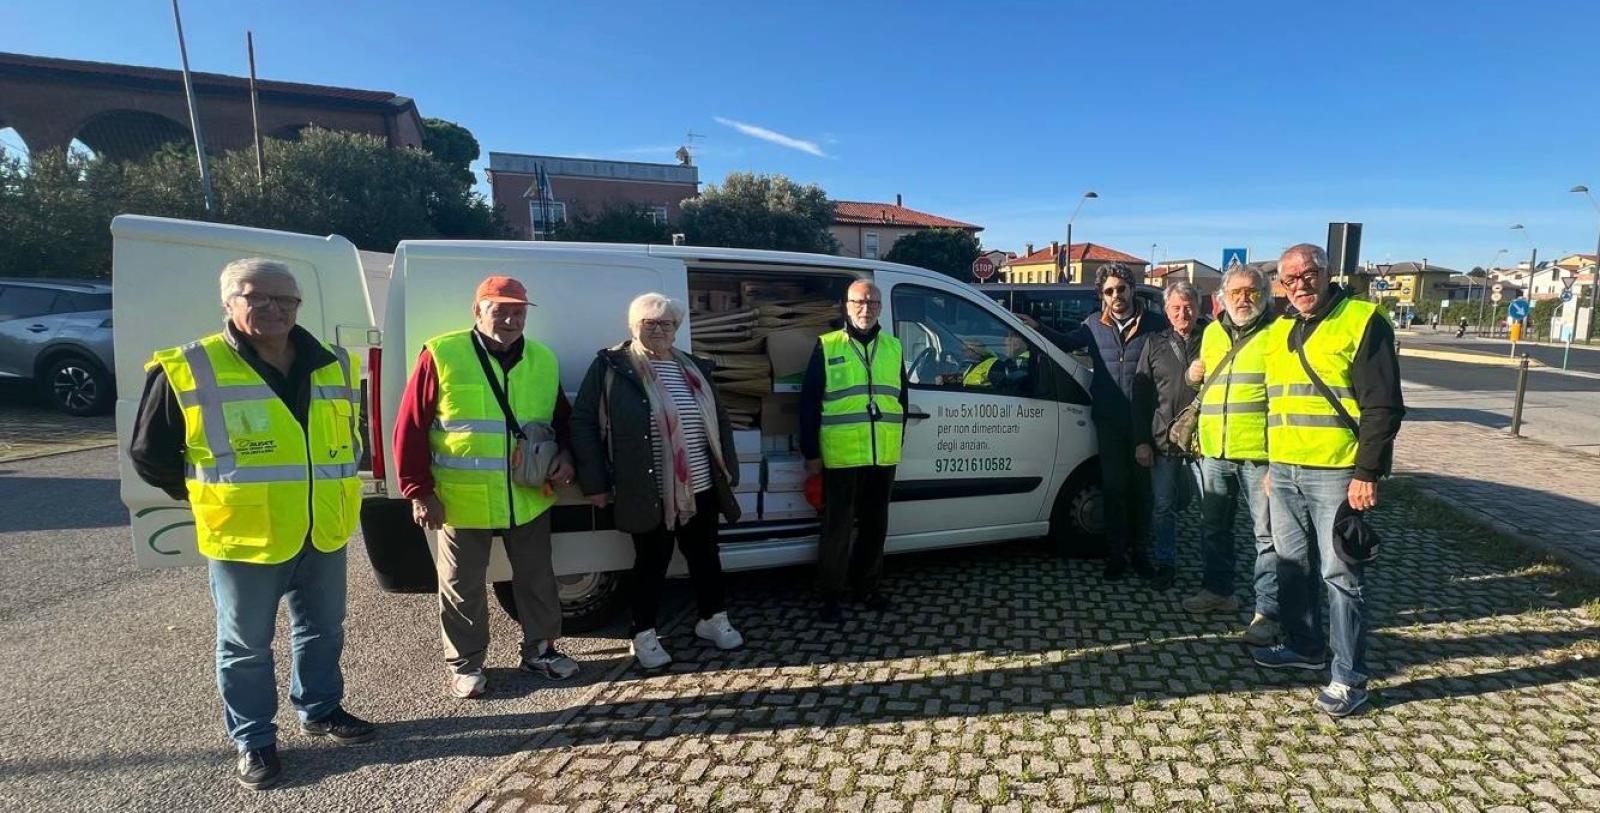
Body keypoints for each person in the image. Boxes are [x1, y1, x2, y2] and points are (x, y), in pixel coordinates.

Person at [130, 258, 375, 790]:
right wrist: (213, 498)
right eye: (256, 297)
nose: (273, 309)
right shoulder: (189, 365)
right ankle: (255, 740)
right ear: (229, 302)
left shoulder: (330, 361)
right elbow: (150, 454)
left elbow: (348, 438)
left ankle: (321, 709)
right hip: (244, 537)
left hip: (322, 526)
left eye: (285, 300)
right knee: (245, 645)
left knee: (323, 628)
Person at [393, 276, 581, 700]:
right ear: (477, 311)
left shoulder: (543, 360)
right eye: (500, 310)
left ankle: (541, 651)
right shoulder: (442, 353)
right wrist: (419, 491)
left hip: (527, 496)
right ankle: (466, 664)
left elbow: (563, 421)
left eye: (518, 311)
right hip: (460, 500)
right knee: (462, 584)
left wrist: (567, 457)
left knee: (537, 578)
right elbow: (410, 428)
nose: (511, 319)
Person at [1251, 244, 1404, 718]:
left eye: (1308, 275)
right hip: (1287, 471)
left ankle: (1349, 678)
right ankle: (1305, 646)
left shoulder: (1362, 319)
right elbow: (1277, 407)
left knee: (1341, 575)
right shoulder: (1279, 330)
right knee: (1291, 566)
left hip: (1338, 474)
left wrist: (1367, 472)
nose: (1299, 285)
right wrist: (1274, 466)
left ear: (1327, 273)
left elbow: (1383, 405)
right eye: (1288, 279)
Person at [571, 293, 745, 670]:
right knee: (651, 561)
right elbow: (583, 423)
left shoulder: (693, 367)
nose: (660, 330)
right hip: (647, 488)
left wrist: (728, 467)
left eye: (667, 323)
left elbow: (720, 419)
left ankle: (712, 619)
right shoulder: (612, 367)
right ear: (634, 326)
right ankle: (643, 633)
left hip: (701, 486)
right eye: (650, 323)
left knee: (706, 556)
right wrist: (595, 482)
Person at [1029, 264, 1171, 581]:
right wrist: (1034, 327)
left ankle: (1141, 553)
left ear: (1133, 289)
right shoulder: (1094, 325)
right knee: (1114, 488)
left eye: (1121, 289)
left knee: (1141, 492)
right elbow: (1065, 342)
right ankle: (1116, 554)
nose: (1116, 296)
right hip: (1108, 422)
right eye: (1109, 291)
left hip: (1144, 422)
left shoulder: (1155, 325)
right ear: (1101, 296)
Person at [1181, 264, 1281, 647]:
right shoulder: (1211, 332)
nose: (1243, 299)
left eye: (1252, 292)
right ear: (1221, 297)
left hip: (1260, 454)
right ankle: (1219, 591)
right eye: (1236, 292)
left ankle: (1267, 611)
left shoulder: (1277, 334)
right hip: (1215, 451)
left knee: (1267, 537)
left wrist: (1279, 461)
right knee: (1213, 528)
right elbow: (1205, 382)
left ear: (1265, 296)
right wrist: (1193, 376)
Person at [800, 279, 909, 622]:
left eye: (873, 303)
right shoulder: (827, 345)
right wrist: (811, 453)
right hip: (842, 455)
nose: (866, 309)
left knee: (876, 527)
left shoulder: (893, 347)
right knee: (838, 529)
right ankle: (830, 594)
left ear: (880, 308)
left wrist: (897, 440)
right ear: (846, 305)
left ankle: (868, 588)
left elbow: (901, 400)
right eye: (859, 302)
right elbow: (808, 404)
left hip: (882, 455)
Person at [1132, 281, 1203, 591]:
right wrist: (1141, 441)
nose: (1182, 312)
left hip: (1205, 441)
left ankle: (1213, 573)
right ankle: (1166, 563)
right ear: (1166, 311)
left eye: (1188, 307)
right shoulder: (1154, 342)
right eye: (1176, 307)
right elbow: (1140, 394)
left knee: (1211, 509)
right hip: (1164, 440)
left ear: (1199, 308)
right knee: (1163, 506)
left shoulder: (1213, 340)